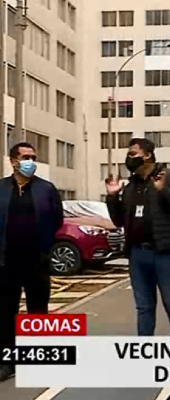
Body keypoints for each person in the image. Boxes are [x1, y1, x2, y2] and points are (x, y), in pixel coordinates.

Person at [106, 138, 170, 336]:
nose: (129, 158)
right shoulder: (131, 186)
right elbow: (119, 220)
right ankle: (145, 349)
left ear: (147, 155)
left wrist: (164, 191)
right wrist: (112, 197)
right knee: (144, 307)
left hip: (165, 253)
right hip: (137, 254)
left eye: (132, 154)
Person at [0, 142, 63, 381]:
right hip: (6, 262)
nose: (31, 162)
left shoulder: (46, 189)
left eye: (34, 158)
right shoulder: (1, 188)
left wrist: (45, 247)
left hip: (37, 261)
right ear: (13, 161)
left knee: (38, 312)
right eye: (26, 157)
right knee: (5, 313)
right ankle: (7, 362)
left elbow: (57, 219)